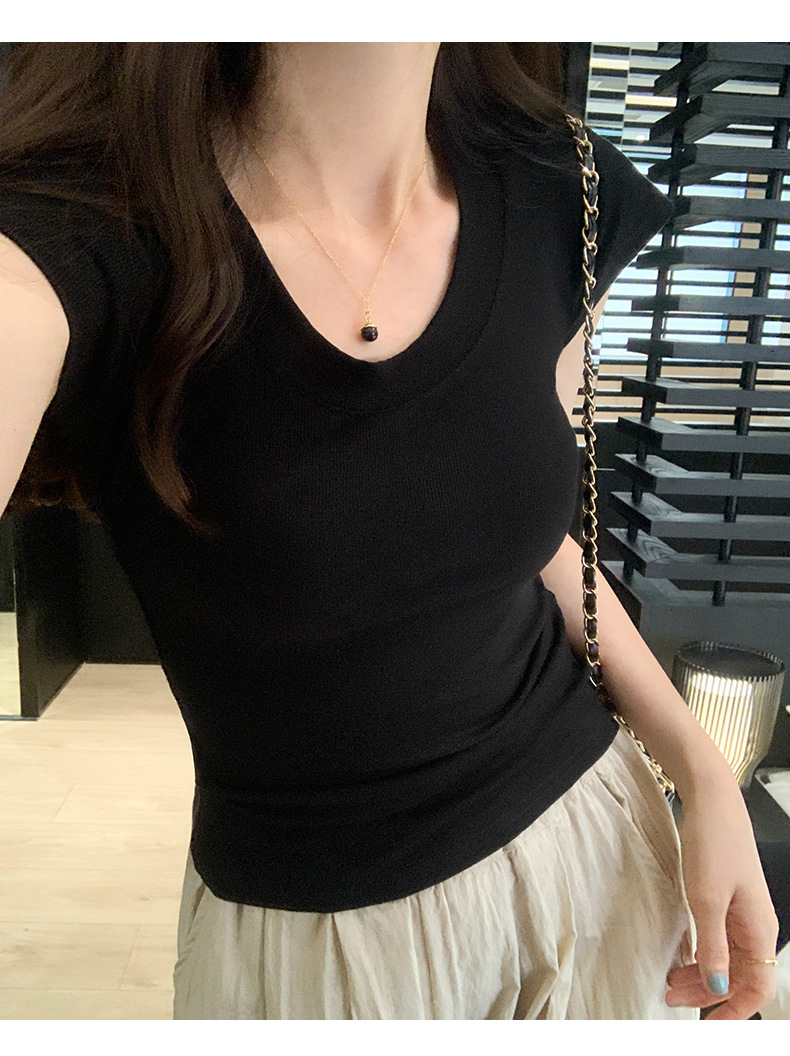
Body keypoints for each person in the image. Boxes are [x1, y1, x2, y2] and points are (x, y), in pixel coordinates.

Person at [0, 42, 779, 1020]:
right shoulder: (71, 233)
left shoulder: (559, 182)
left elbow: (522, 538)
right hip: (328, 942)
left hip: (601, 845)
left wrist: (703, 773)